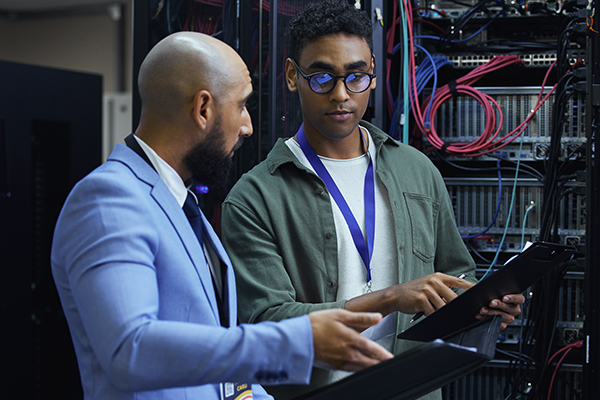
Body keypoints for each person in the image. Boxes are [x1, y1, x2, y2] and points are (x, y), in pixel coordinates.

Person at [50, 31, 394, 400]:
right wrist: (298, 341)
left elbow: (222, 370)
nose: (247, 125)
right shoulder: (109, 199)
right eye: (242, 105)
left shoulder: (182, 203)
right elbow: (128, 350)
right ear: (203, 109)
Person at [220, 1, 525, 399]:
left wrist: (482, 307)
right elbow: (267, 324)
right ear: (293, 77)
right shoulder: (254, 198)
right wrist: (390, 298)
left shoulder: (416, 170)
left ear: (374, 77)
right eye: (322, 78)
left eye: (356, 77)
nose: (341, 95)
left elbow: (455, 275)